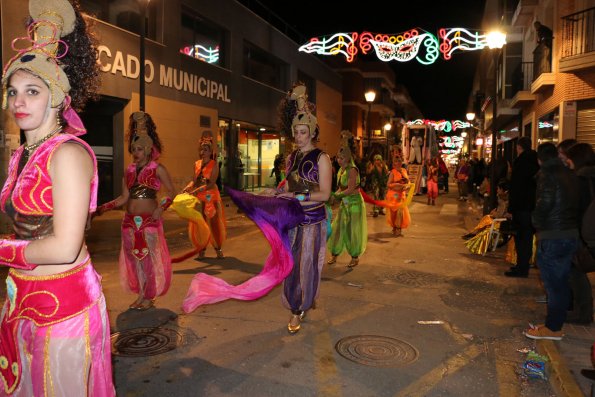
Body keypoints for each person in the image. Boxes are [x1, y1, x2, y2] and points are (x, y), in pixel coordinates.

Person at [0, 0, 115, 394]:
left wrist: (2, 250)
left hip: (63, 307)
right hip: (20, 298)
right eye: (13, 91)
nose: (19, 102)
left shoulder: (67, 153)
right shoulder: (22, 154)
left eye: (32, 91)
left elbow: (65, 246)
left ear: (56, 96)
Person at [96, 112, 175, 310]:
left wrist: (161, 208)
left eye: (140, 149)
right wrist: (101, 208)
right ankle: (141, 294)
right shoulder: (129, 170)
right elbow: (123, 198)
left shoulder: (158, 168)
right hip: (128, 221)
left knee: (146, 259)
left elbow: (172, 192)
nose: (136, 153)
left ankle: (149, 296)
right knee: (134, 261)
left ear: (148, 150)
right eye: (133, 149)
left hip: (148, 221)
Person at [273, 83, 332, 333]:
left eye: (303, 132)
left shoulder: (322, 158)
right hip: (293, 221)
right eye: (295, 132)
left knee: (304, 265)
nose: (298, 137)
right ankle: (303, 299)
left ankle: (298, 309)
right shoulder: (292, 158)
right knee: (292, 267)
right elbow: (289, 184)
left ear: (312, 132)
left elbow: (325, 194)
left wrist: (294, 196)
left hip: (312, 223)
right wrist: (277, 191)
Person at [524, 142, 579, 340]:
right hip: (569, 234)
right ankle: (553, 324)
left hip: (553, 236)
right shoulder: (569, 173)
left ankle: (553, 329)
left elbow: (544, 204)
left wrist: (536, 222)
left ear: (540, 159)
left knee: (554, 285)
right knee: (560, 283)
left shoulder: (548, 175)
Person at [183, 131, 227, 259]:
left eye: (206, 149)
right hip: (199, 196)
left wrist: (197, 190)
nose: (203, 152)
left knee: (213, 222)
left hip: (210, 196)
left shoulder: (214, 165)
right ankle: (201, 249)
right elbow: (195, 180)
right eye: (201, 149)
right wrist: (188, 187)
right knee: (200, 223)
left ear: (210, 151)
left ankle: (217, 248)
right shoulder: (196, 164)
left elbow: (212, 183)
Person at [327, 130, 367, 269]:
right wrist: (332, 195)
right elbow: (341, 187)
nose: (339, 160)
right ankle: (334, 254)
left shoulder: (352, 170)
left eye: (342, 158)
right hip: (345, 204)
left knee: (352, 231)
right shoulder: (341, 170)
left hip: (355, 204)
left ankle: (354, 257)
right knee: (337, 228)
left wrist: (336, 196)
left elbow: (349, 189)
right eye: (338, 157)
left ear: (348, 158)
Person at [566, 143, 595, 324]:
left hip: (583, 231)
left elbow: (576, 207)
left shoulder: (581, 179)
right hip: (588, 230)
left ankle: (583, 312)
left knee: (576, 270)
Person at [505, 137, 539, 278]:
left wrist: (511, 209)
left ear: (519, 147)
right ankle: (522, 266)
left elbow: (516, 188)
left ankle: (521, 268)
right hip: (533, 206)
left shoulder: (521, 163)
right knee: (527, 238)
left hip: (522, 208)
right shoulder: (536, 161)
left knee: (521, 238)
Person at [463, 180, 510, 255]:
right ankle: (475, 232)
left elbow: (500, 214)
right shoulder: (502, 198)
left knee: (487, 218)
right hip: (499, 220)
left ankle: (476, 233)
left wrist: (494, 213)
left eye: (498, 189)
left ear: (503, 190)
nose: (497, 190)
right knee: (487, 217)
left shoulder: (504, 200)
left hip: (501, 222)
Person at [386, 155, 411, 236]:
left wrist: (407, 185)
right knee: (394, 213)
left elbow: (408, 181)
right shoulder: (392, 172)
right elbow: (388, 184)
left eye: (400, 161)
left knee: (401, 212)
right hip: (394, 195)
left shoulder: (404, 170)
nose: (398, 163)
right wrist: (397, 184)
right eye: (396, 161)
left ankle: (398, 228)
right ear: (393, 164)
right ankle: (394, 227)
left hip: (402, 195)